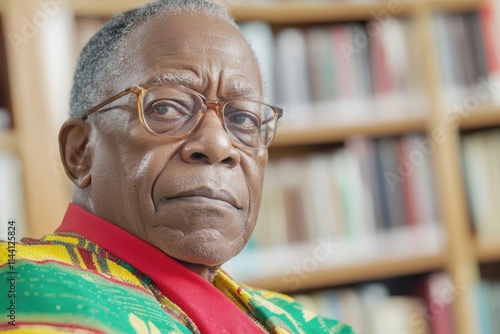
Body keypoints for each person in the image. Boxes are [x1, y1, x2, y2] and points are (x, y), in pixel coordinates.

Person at [0, 0, 358, 332]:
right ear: (80, 152)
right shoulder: (21, 287)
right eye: (167, 108)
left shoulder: (299, 320)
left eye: (244, 118)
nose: (219, 146)